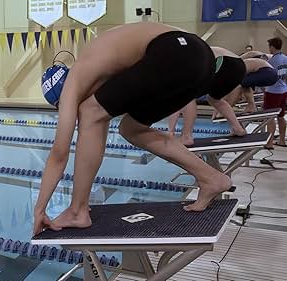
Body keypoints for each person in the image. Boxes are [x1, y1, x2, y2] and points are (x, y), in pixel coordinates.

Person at [33, 22, 245, 235]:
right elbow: (100, 120)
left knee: (91, 112)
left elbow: (59, 154)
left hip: (176, 51)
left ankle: (78, 211)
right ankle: (211, 178)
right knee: (132, 128)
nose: (71, 113)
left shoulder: (73, 83)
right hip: (201, 58)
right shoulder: (100, 68)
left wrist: (40, 209)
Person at [264, 37, 287, 149]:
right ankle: (282, 140)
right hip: (283, 90)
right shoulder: (285, 58)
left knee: (270, 117)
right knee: (281, 116)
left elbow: (265, 77)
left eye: (269, 46)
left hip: (273, 92)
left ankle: (270, 143)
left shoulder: (272, 61)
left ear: (272, 47)